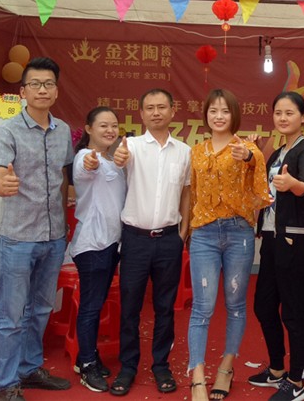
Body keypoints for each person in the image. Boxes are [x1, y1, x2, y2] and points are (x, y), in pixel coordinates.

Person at [0, 57, 75, 401]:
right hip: (19, 238)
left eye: (49, 84)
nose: (43, 90)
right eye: (35, 84)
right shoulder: (7, 131)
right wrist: (2, 184)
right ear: (23, 92)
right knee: (11, 315)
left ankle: (29, 368)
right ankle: (7, 383)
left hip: (54, 237)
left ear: (56, 90)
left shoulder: (63, 130)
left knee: (40, 309)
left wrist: (66, 219)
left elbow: (64, 177)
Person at [188, 89, 270, 401]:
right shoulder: (197, 151)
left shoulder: (247, 147)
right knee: (202, 307)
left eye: (225, 111)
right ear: (206, 115)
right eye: (213, 111)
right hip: (204, 234)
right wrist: (190, 227)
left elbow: (259, 180)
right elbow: (194, 193)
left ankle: (226, 366)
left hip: (238, 233)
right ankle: (197, 376)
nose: (219, 116)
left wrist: (248, 157)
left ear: (234, 114)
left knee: (235, 305)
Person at [110, 89, 191, 396]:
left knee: (165, 307)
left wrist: (183, 233)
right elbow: (116, 163)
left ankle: (161, 365)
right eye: (150, 108)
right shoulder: (129, 147)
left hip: (169, 240)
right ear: (141, 113)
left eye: (161, 107)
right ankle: (128, 366)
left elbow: (186, 192)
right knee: (130, 306)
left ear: (172, 111)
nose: (156, 112)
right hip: (135, 240)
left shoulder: (184, 152)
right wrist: (117, 157)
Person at [249, 92, 304, 401]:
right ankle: (277, 369)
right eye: (278, 112)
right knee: (264, 306)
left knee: (293, 312)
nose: (283, 118)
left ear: (303, 117)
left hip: (294, 238)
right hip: (272, 237)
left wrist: (294, 185)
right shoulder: (278, 151)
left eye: (290, 113)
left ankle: (296, 381)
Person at [69, 106, 127, 393]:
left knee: (97, 302)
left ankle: (85, 357)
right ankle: (88, 365)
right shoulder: (85, 157)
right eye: (103, 125)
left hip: (111, 243)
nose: (110, 130)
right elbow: (85, 166)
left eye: (114, 125)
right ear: (89, 128)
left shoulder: (113, 161)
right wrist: (90, 161)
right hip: (92, 244)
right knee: (91, 306)